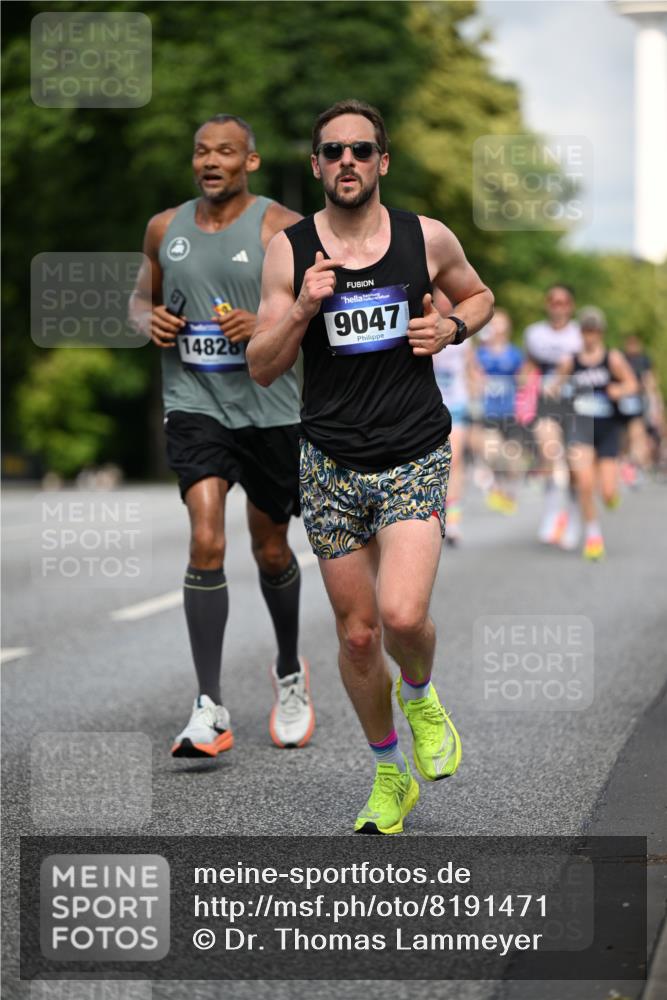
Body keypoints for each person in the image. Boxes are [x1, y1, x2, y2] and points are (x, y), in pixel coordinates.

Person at [247, 100, 494, 834]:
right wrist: (302, 309)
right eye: (333, 151)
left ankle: (419, 695)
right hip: (329, 461)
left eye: (361, 149)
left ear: (382, 161)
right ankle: (390, 774)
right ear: (316, 165)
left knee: (402, 615)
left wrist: (451, 327)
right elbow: (261, 365)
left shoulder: (426, 237)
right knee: (357, 636)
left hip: (413, 448)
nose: (347, 161)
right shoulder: (290, 251)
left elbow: (479, 296)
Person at [129, 114, 315, 757]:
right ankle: (209, 706)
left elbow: (314, 311)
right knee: (206, 537)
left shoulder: (282, 227)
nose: (211, 161)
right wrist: (147, 319)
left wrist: (264, 325)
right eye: (202, 151)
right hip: (194, 403)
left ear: (250, 162)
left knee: (271, 549)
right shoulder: (164, 228)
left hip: (270, 409)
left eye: (226, 152)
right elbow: (140, 299)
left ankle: (289, 671)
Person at [548, 307, 638, 559]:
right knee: (585, 483)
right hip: (580, 427)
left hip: (607, 428)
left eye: (594, 331)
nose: (590, 336)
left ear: (601, 332)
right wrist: (555, 395)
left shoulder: (612, 358)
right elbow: (554, 386)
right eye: (586, 331)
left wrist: (620, 390)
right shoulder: (571, 361)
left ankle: (609, 496)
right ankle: (593, 535)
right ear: (581, 332)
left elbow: (632, 383)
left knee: (607, 491)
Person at [523, 285, 582, 545]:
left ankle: (573, 518)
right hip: (546, 402)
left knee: (575, 466)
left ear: (571, 306)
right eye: (553, 301)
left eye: (563, 302)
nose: (558, 306)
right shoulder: (535, 333)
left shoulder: (579, 334)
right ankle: (551, 513)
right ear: (547, 304)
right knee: (550, 454)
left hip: (576, 403)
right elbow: (529, 364)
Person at [431, 288, 474, 545]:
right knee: (435, 464)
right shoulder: (424, 330)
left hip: (457, 404)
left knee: (454, 460)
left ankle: (453, 518)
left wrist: (479, 388)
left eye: (448, 300)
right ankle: (433, 513)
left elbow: (471, 368)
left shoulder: (462, 334)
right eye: (440, 300)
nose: (445, 304)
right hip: (432, 407)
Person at [473, 309, 526, 514]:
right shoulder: (480, 354)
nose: (496, 327)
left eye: (500, 323)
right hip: (489, 413)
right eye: (493, 323)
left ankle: (510, 493)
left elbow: (523, 381)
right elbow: (472, 377)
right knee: (492, 452)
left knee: (513, 460)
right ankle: (495, 487)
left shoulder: (515, 354)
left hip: (510, 413)